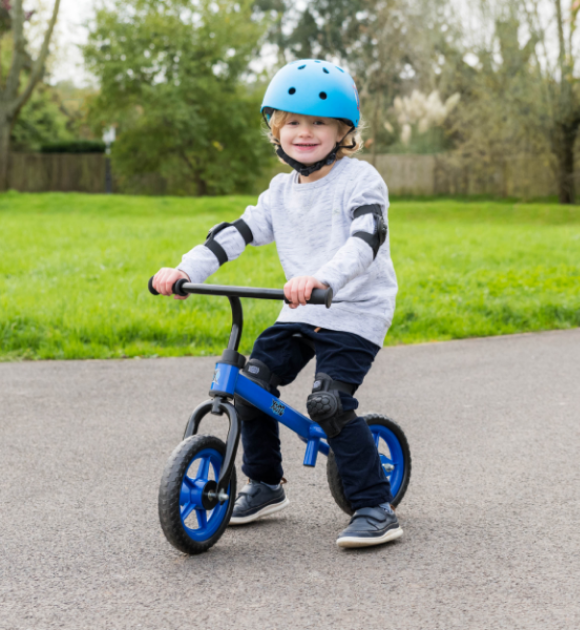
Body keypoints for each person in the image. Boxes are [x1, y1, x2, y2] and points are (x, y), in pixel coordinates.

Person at [152, 59, 400, 548]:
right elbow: (234, 235)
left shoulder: (361, 181)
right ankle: (265, 485)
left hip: (354, 310)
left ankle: (375, 506)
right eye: (292, 123)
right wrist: (185, 271)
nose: (304, 133)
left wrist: (321, 277)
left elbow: (364, 239)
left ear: (342, 131)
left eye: (318, 123)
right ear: (276, 129)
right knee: (248, 387)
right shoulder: (279, 192)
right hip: (302, 309)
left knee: (327, 403)